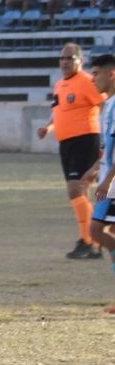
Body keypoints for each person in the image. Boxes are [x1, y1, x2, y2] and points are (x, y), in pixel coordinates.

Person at [37, 43, 106, 259]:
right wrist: (48, 127)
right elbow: (57, 111)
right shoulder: (59, 85)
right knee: (80, 192)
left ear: (80, 60)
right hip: (66, 144)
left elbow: (105, 104)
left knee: (75, 189)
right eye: (62, 58)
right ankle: (90, 242)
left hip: (85, 140)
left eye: (70, 58)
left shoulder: (87, 82)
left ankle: (90, 239)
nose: (65, 62)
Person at [84, 54, 115, 313]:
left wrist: (106, 179)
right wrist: (95, 169)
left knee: (95, 232)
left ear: (111, 74)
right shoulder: (107, 105)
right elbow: (108, 148)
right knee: (110, 234)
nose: (92, 78)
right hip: (109, 179)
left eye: (96, 73)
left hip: (114, 184)